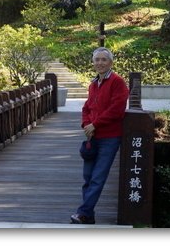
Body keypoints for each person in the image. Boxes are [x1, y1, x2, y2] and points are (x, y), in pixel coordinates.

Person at [70, 47, 129, 225]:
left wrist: (96, 124)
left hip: (109, 137)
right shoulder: (93, 83)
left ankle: (83, 213)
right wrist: (86, 124)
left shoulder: (117, 82)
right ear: (93, 63)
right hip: (92, 137)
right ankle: (89, 216)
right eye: (97, 60)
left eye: (104, 60)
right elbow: (87, 108)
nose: (100, 63)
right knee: (88, 177)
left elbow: (117, 109)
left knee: (98, 177)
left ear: (111, 62)